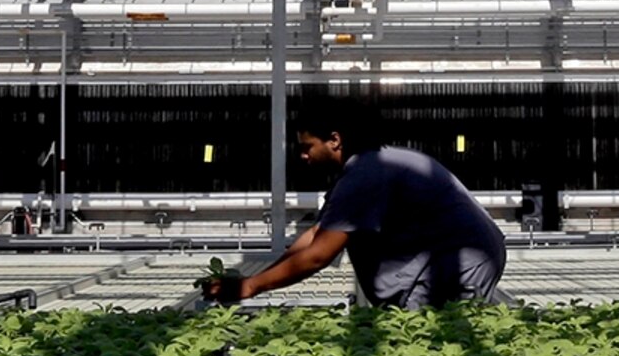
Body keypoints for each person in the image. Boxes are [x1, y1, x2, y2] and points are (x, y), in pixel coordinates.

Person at [205, 103, 508, 308]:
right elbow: (316, 236)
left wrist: (251, 287)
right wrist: (252, 280)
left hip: (458, 265)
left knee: (425, 347)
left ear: (334, 140)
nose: (303, 156)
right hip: (461, 258)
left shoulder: (366, 174)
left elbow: (319, 255)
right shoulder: (364, 169)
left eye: (307, 146)